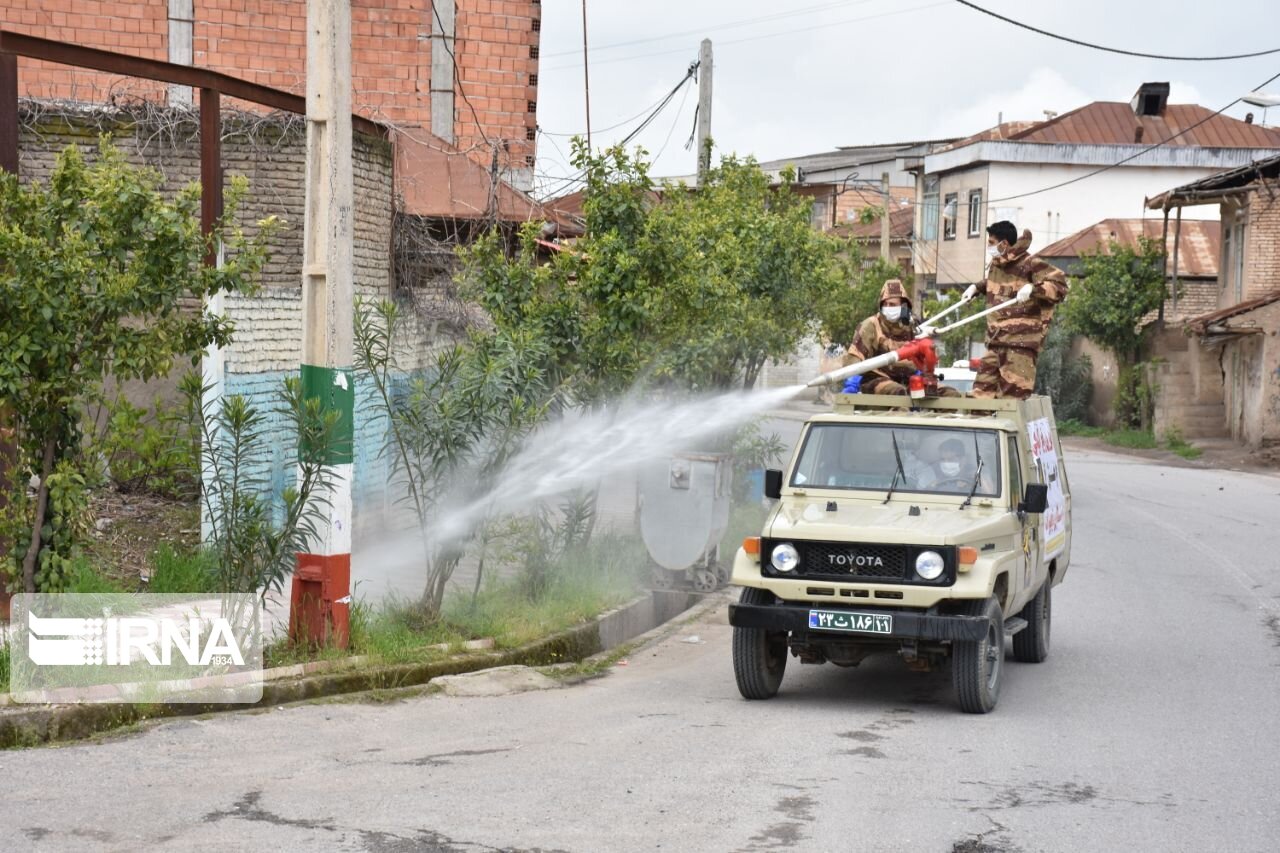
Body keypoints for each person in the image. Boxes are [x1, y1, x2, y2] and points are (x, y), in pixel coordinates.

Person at [969, 221, 1068, 400]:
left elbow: (1059, 285)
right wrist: (977, 288)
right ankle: (980, 428)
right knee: (979, 397)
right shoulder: (997, 266)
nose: (988, 247)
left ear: (1004, 244)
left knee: (1011, 401)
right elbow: (1002, 287)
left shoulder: (1030, 263)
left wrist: (1033, 288)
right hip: (996, 340)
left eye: (991, 242)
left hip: (1019, 344)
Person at [845, 279, 961, 396]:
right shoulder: (871, 325)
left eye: (893, 305)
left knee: (950, 394)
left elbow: (924, 357)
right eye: (886, 304)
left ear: (903, 307)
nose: (888, 307)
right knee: (898, 392)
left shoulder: (912, 327)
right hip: (877, 379)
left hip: (908, 379)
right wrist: (852, 383)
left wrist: (925, 371)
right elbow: (853, 361)